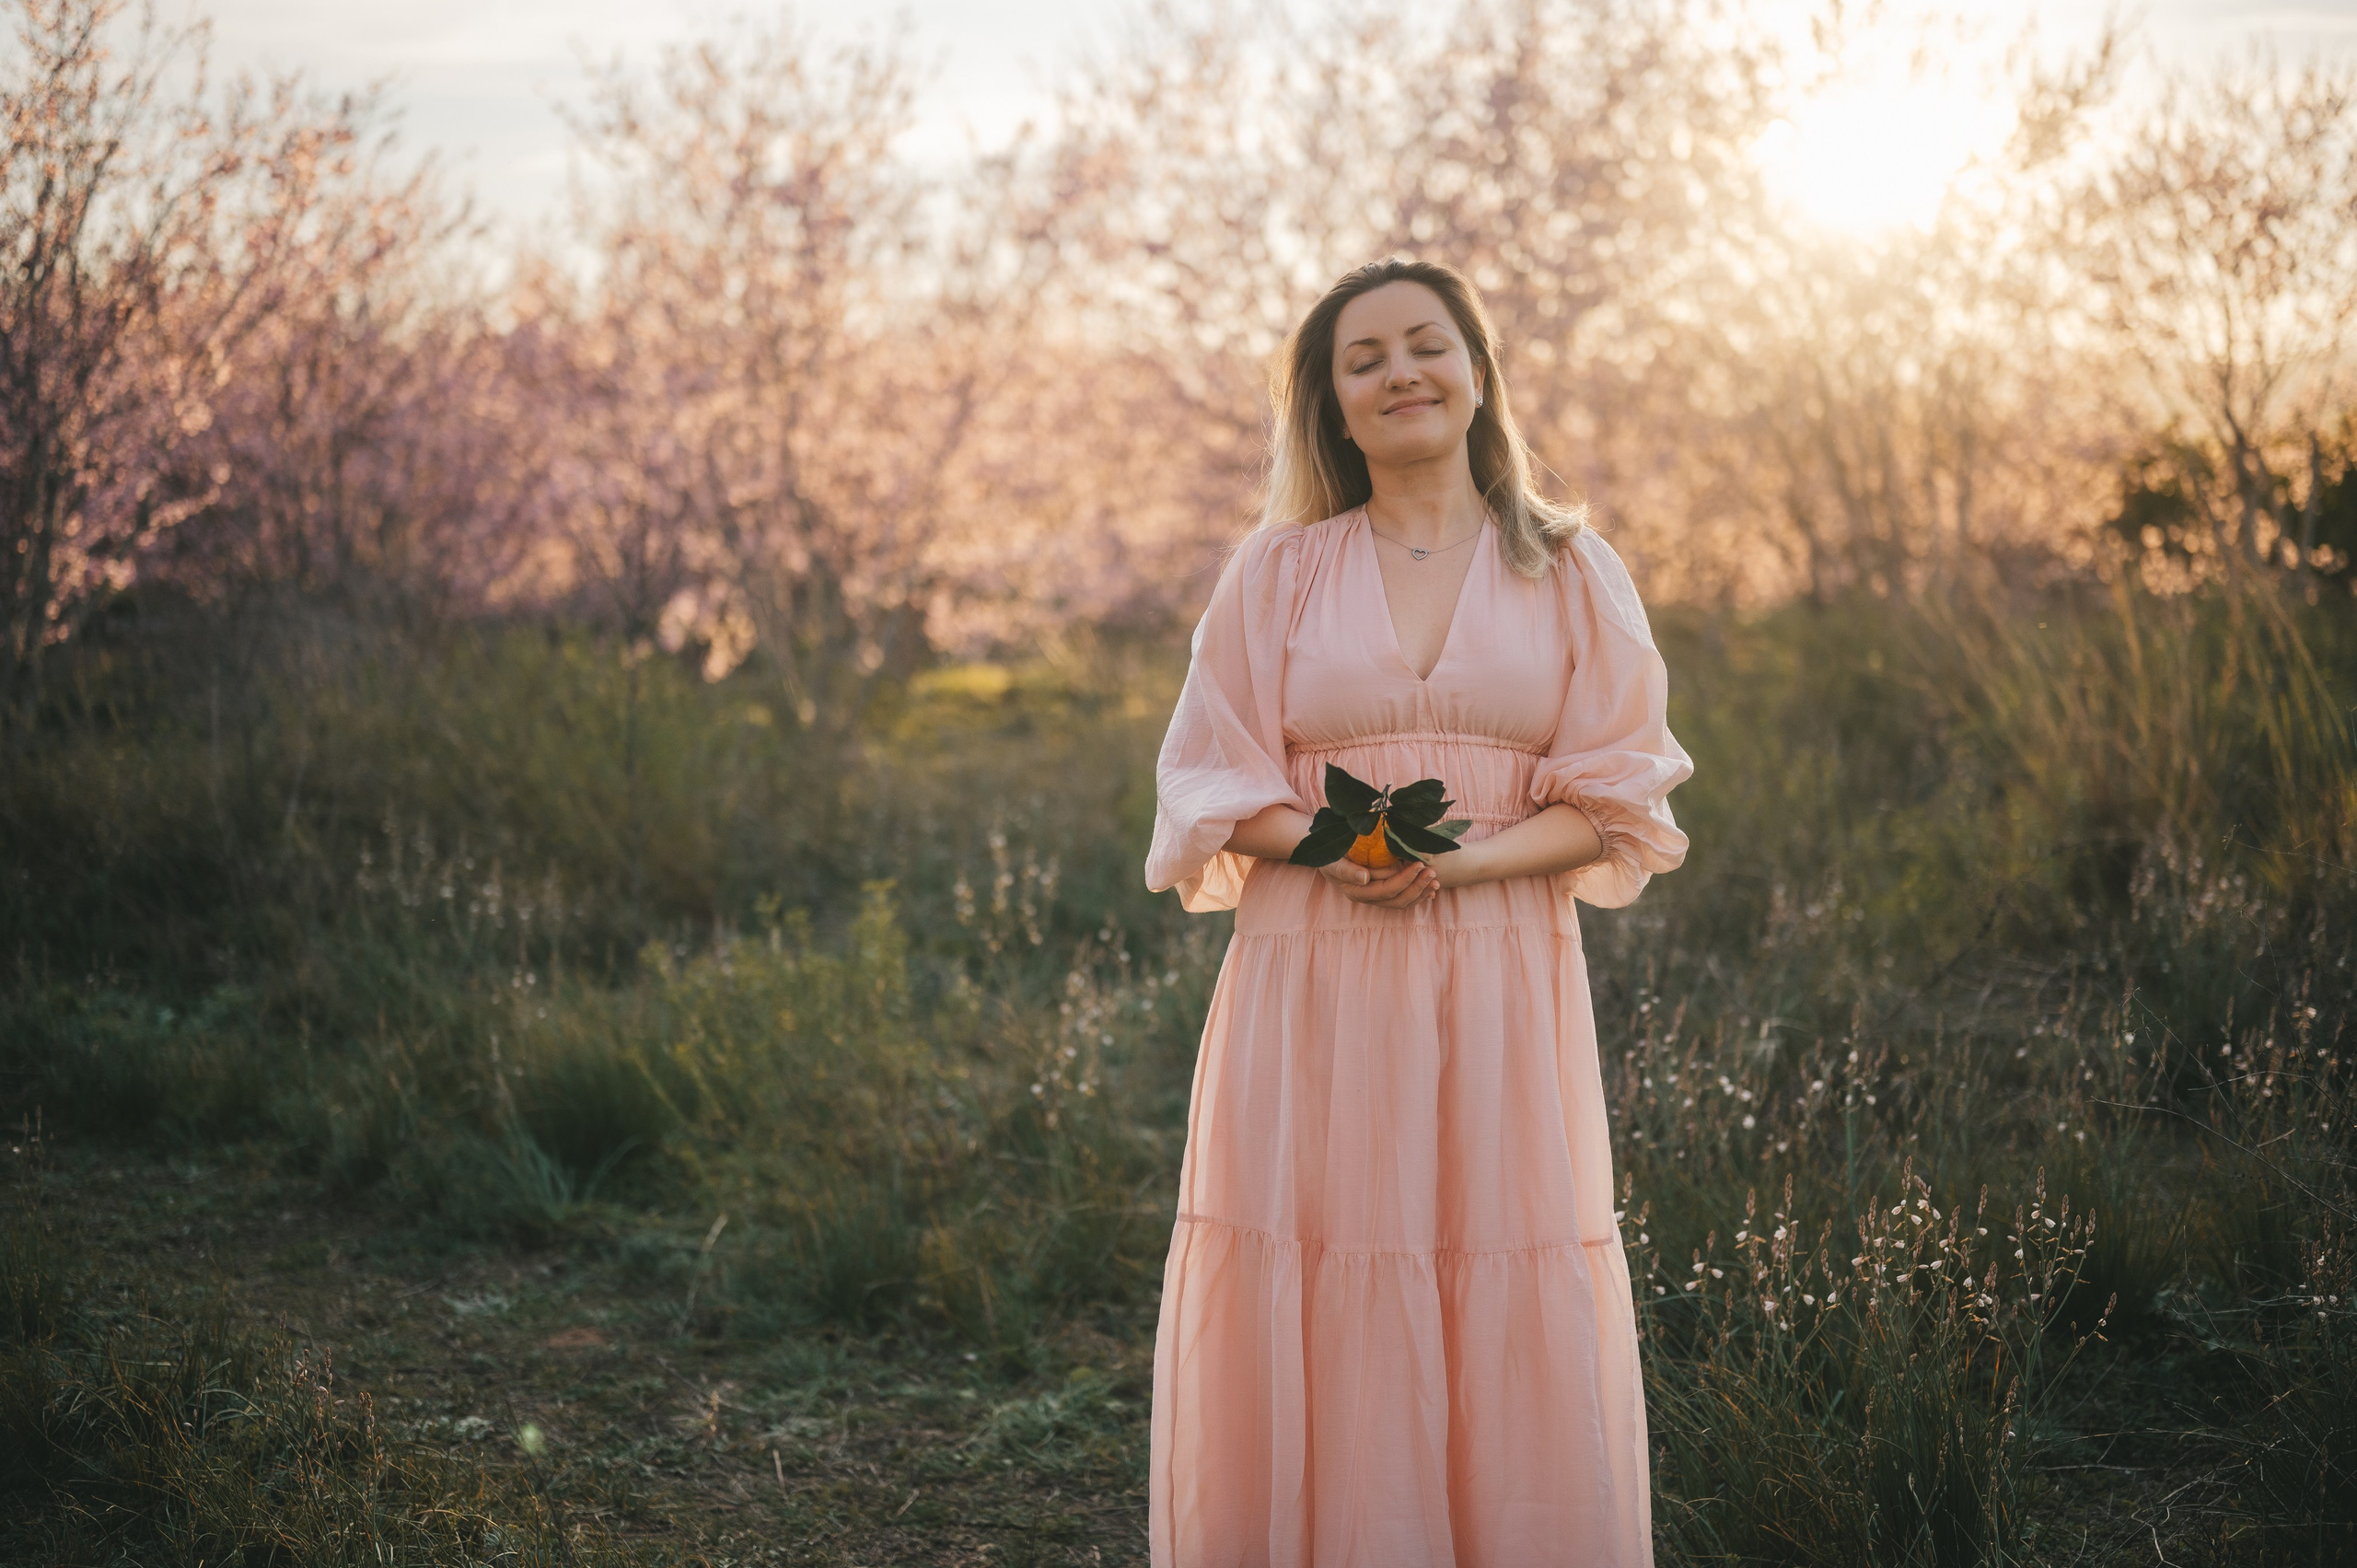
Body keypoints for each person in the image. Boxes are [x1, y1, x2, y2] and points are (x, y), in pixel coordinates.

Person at [1142, 257, 1694, 1567]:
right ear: (1332, 405)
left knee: (1497, 1259)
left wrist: (1462, 866)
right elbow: (1208, 773)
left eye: (1426, 345)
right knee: (1323, 1259)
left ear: (1478, 368)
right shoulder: (1276, 572)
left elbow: (1623, 800)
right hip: (1312, 970)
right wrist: (1338, 847)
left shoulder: (1570, 566)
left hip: (1505, 974)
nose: (1401, 374)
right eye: (1365, 359)